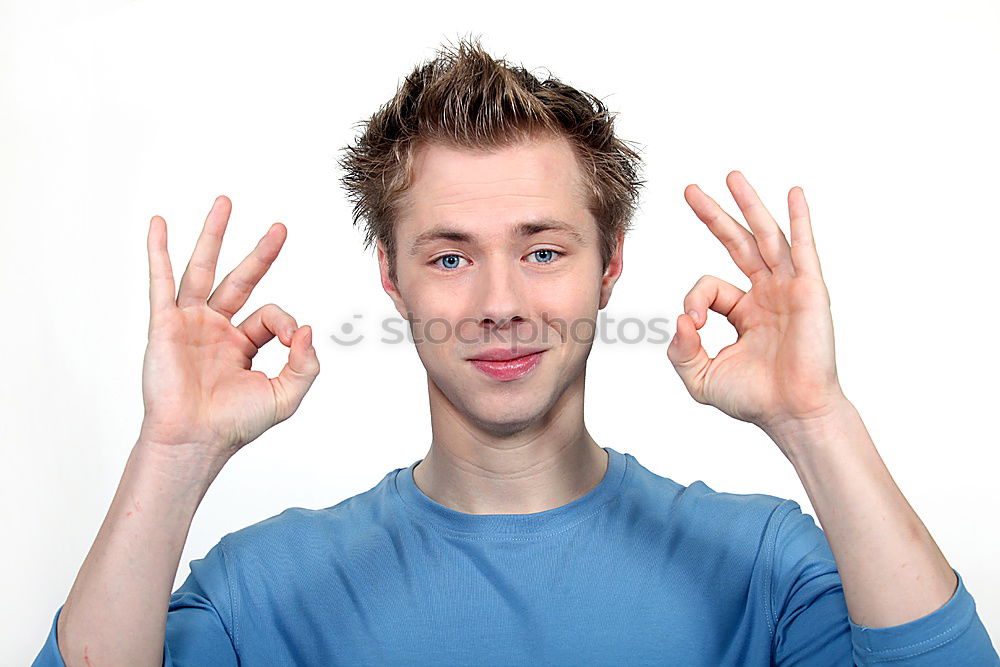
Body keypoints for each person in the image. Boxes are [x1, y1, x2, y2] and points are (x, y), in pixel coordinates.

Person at [34, 36, 998, 666]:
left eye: (543, 250)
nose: (500, 304)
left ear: (611, 264)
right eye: (450, 255)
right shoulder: (260, 590)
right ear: (391, 278)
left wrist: (815, 418)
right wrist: (172, 454)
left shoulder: (765, 566)